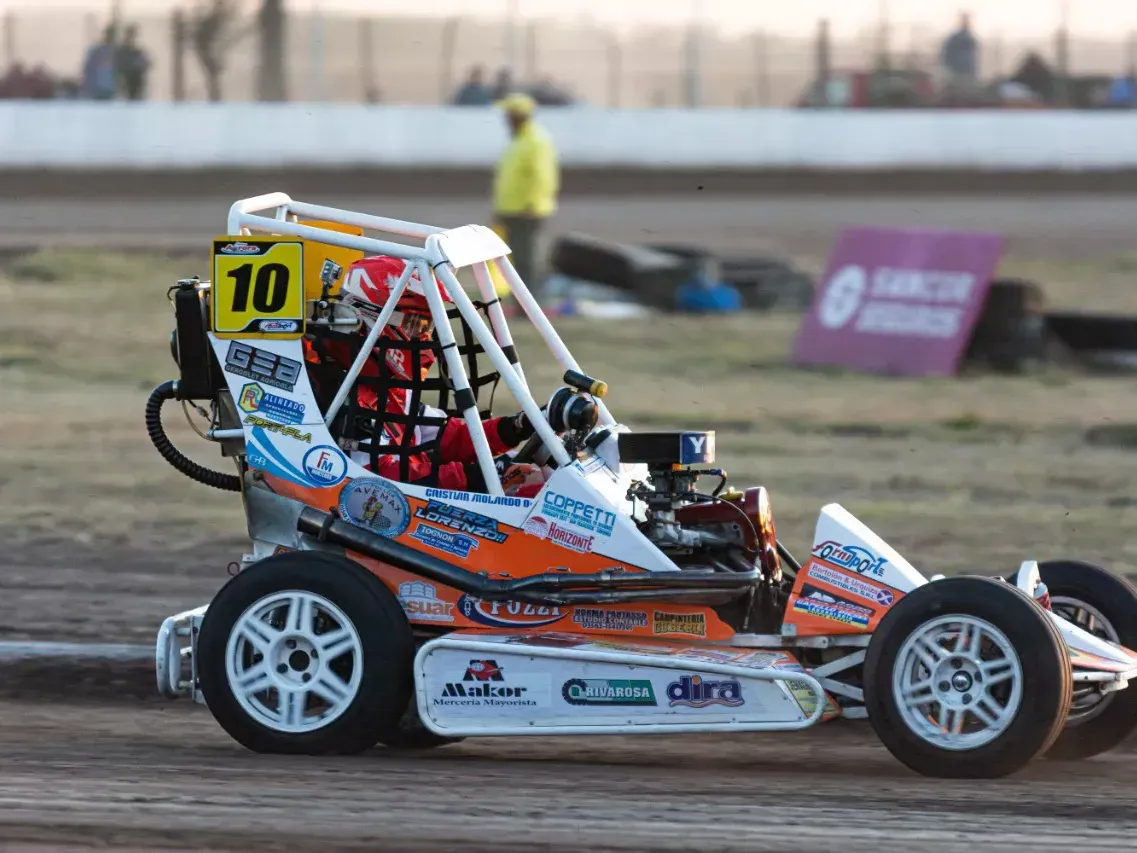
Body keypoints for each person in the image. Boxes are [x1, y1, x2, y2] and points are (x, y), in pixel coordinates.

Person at [304, 255, 546, 497]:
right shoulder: (334, 389)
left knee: (540, 476)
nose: (423, 339)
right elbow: (380, 479)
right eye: (414, 325)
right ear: (365, 319)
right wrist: (476, 478)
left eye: (427, 327)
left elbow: (447, 436)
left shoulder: (381, 384)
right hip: (372, 514)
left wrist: (518, 426)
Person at [492, 92, 560, 296]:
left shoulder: (535, 140)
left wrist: (532, 205)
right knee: (517, 258)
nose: (505, 118)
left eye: (508, 114)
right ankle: (522, 299)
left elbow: (543, 176)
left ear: (518, 115)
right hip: (511, 209)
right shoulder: (519, 139)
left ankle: (532, 300)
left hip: (527, 211)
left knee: (528, 259)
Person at [940, 13, 979, 88]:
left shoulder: (971, 39)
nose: (967, 23)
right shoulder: (954, 38)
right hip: (957, 73)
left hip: (969, 73)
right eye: (965, 20)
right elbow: (946, 55)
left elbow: (974, 59)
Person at [82, 24, 118, 100]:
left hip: (110, 88)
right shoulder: (96, 50)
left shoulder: (115, 51)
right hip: (96, 88)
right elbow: (87, 68)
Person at [116, 24, 151, 101]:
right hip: (126, 81)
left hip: (137, 81)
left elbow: (146, 64)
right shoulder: (122, 50)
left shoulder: (137, 50)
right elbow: (119, 65)